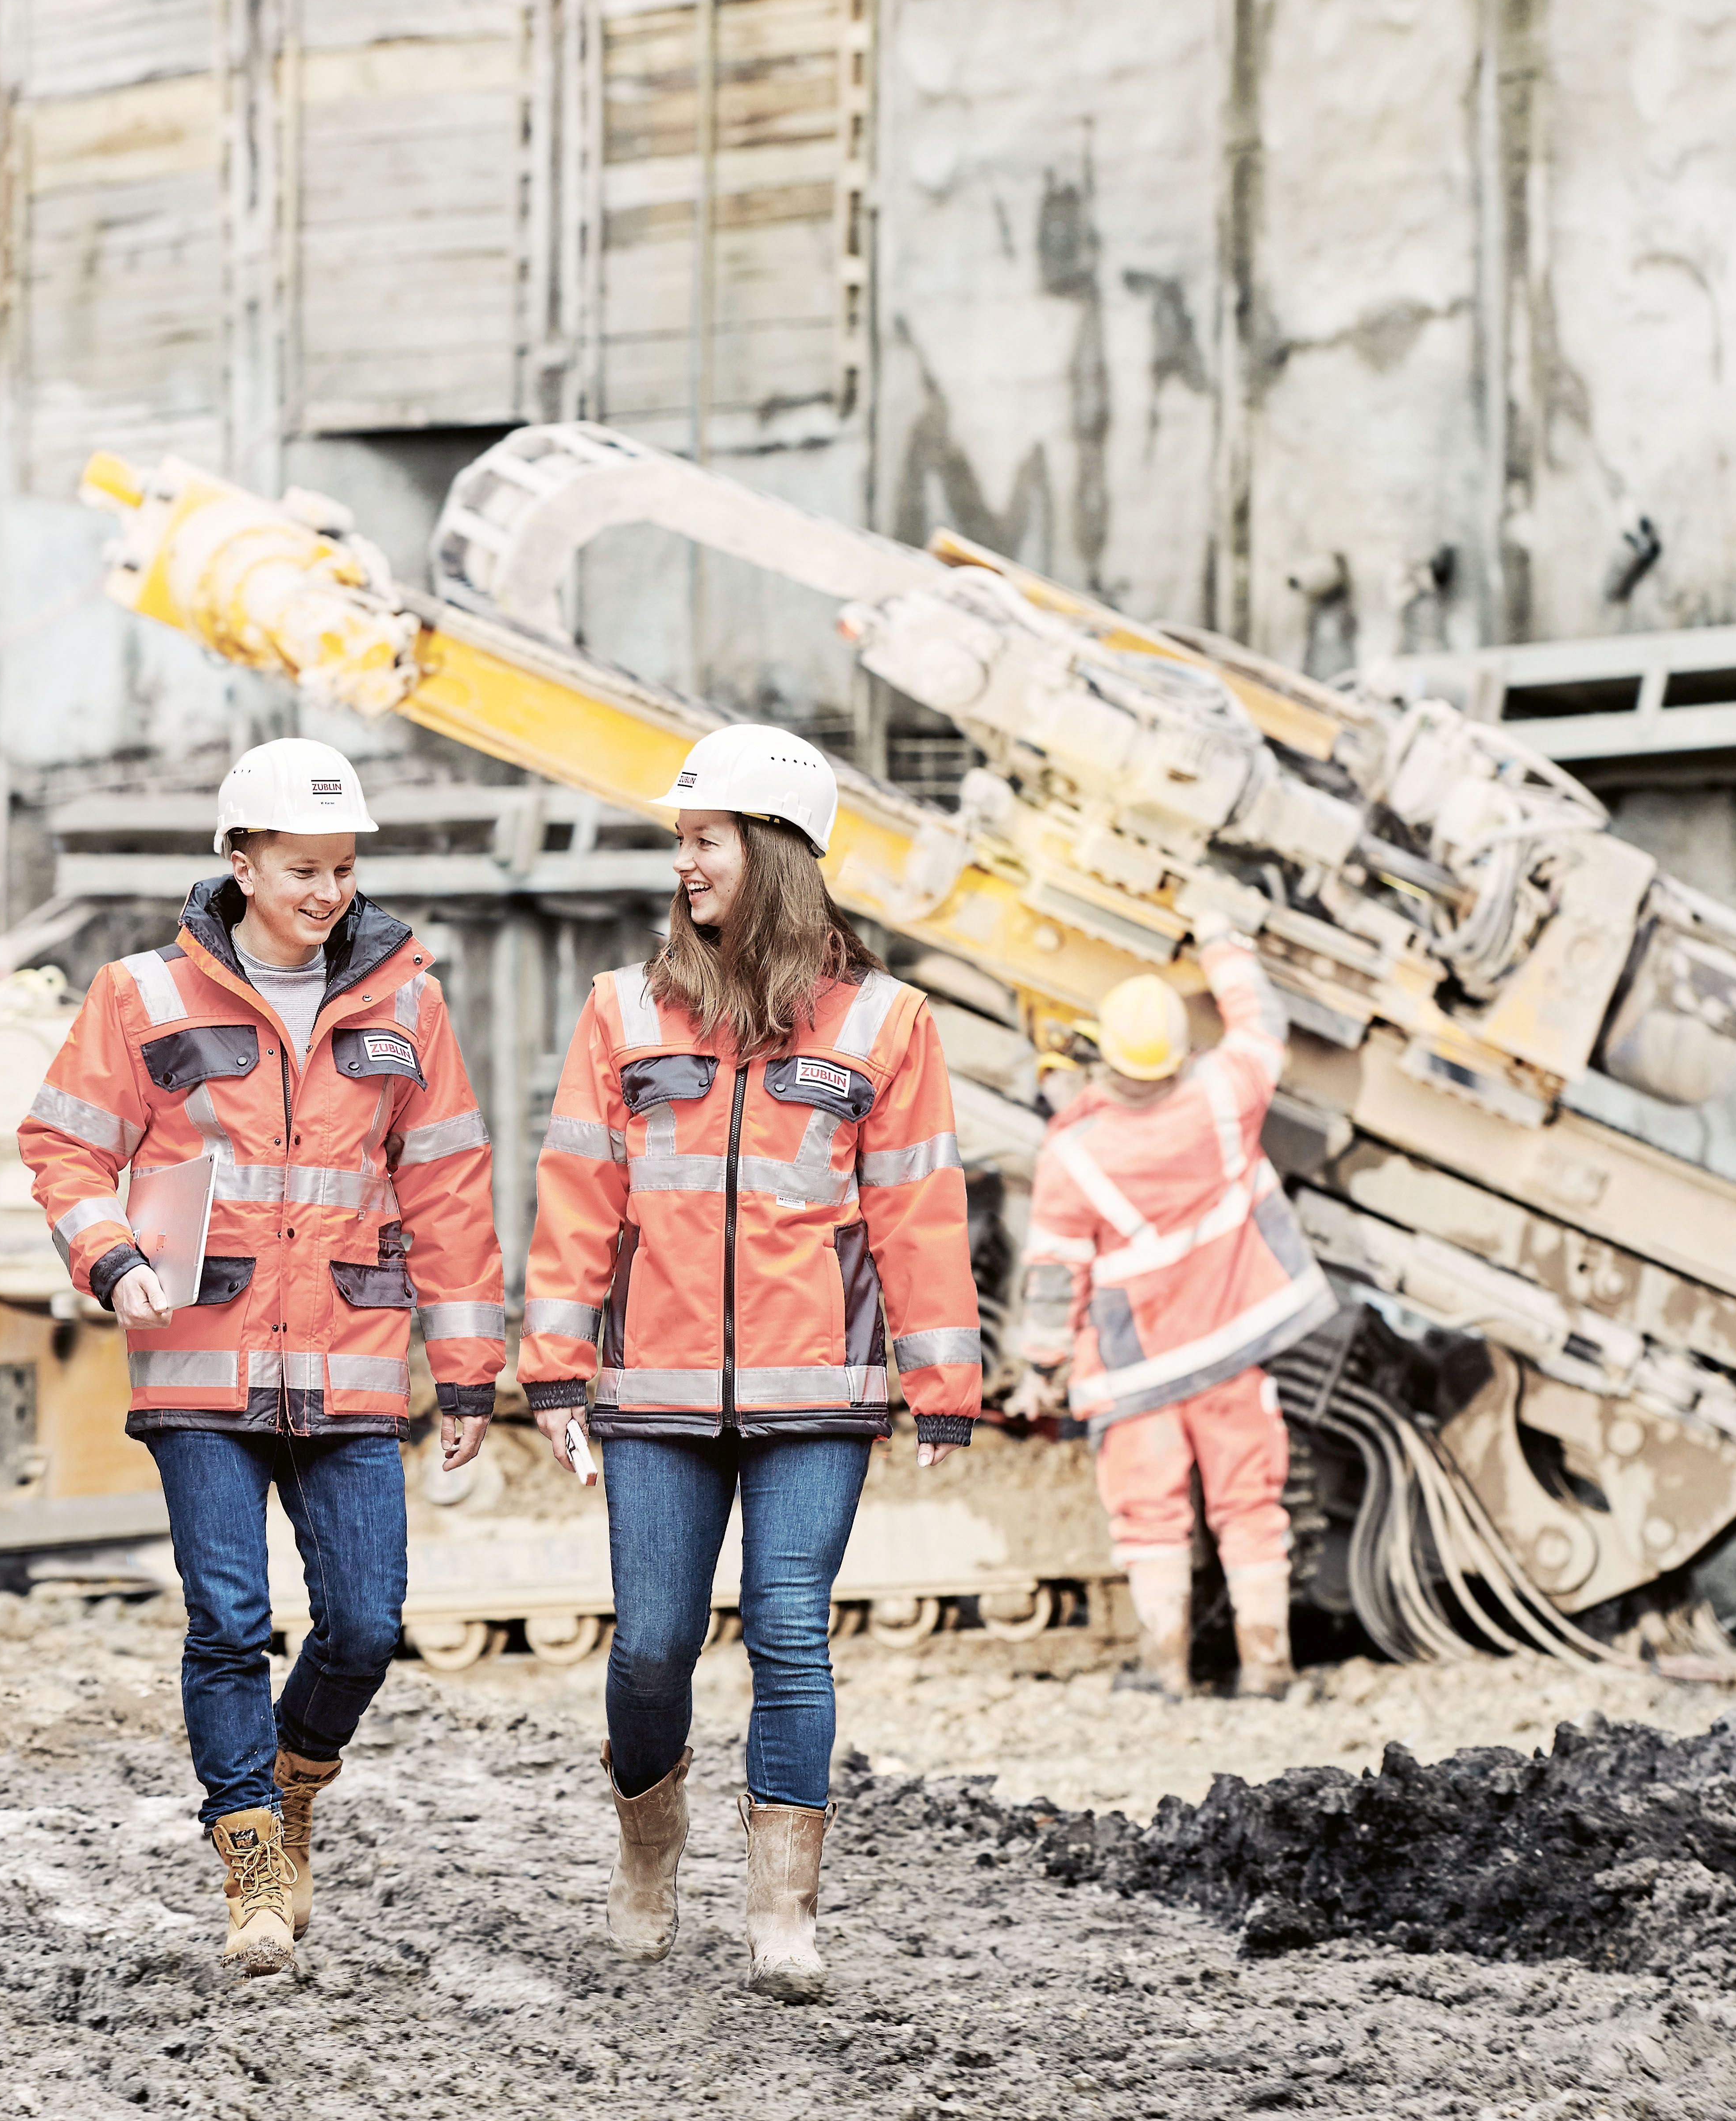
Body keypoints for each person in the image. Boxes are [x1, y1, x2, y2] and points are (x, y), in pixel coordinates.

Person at [22, 738, 508, 1975]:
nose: (327, 891)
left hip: (349, 1361)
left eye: (342, 868)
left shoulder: (407, 1001)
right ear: (237, 860)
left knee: (363, 1622)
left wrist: (466, 1369)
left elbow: (448, 1187)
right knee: (229, 1618)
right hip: (199, 1360)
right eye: (301, 867)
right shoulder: (141, 996)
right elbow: (63, 1147)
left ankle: (293, 1786)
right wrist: (112, 1254)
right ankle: (247, 1861)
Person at [520, 723, 983, 2001]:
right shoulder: (623, 1009)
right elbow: (577, 1199)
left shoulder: (886, 1022)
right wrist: (554, 1367)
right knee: (651, 1646)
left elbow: (918, 1209)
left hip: (815, 1395)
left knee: (789, 1631)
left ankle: (784, 1916)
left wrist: (942, 1383)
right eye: (678, 841)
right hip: (655, 1394)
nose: (683, 864)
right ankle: (647, 1846)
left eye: (703, 839)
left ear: (772, 851)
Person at [1013, 916, 1338, 1700]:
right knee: (1251, 1507)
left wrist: (1042, 1369)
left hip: (1139, 1369)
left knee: (1150, 1516)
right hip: (1232, 1350)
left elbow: (1055, 1276)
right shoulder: (1226, 1095)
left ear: (1106, 1055)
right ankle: (1268, 1670)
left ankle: (1167, 1673)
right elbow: (1264, 1023)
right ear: (1179, 1051)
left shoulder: (1073, 1153)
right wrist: (1224, 940)